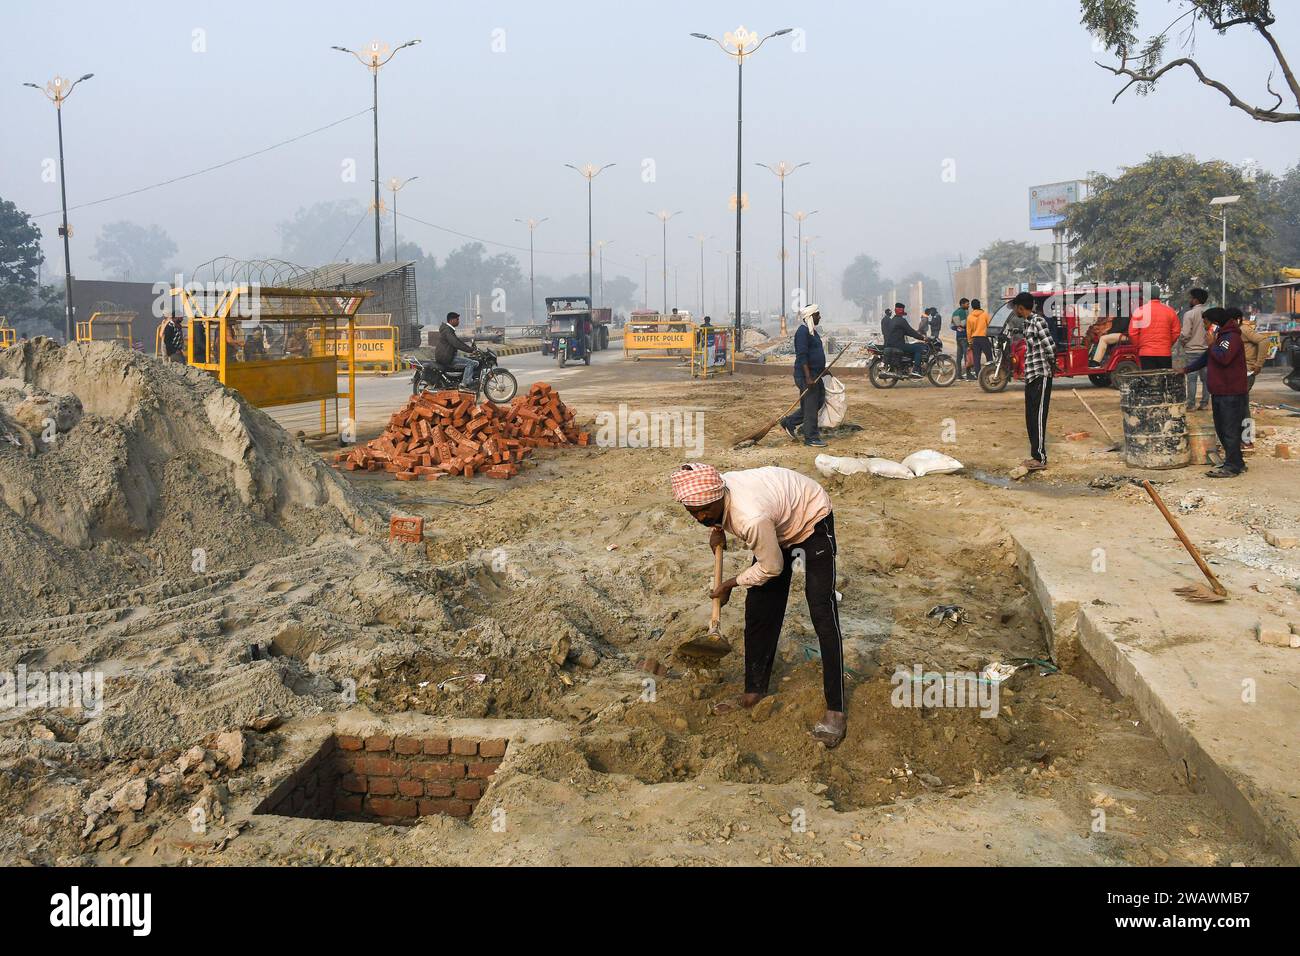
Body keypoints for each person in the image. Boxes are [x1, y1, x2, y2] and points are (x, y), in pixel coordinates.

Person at [670, 462, 847, 748]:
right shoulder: (715, 489)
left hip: (811, 518)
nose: (699, 516)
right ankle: (753, 692)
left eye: (704, 511)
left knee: (822, 612)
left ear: (719, 495)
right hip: (775, 521)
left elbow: (773, 567)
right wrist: (715, 525)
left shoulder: (750, 518)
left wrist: (731, 584)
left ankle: (836, 710)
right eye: (694, 513)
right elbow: (713, 511)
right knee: (760, 611)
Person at [1185, 307, 1249, 478]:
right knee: (1223, 429)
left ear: (1214, 323)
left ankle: (1232, 466)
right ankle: (1237, 462)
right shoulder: (1221, 338)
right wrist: (1185, 369)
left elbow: (1223, 358)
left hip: (1230, 392)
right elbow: (1207, 357)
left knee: (1229, 430)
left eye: (1206, 322)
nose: (1204, 327)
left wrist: (1212, 344)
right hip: (1220, 391)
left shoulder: (1231, 338)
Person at [1015, 291, 1055, 471]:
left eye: (1016, 307)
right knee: (1030, 417)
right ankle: (1034, 455)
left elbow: (1050, 346)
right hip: (1031, 376)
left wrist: (1052, 364)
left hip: (1041, 375)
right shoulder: (1027, 323)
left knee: (1038, 417)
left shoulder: (1039, 322)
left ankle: (1040, 458)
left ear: (1021, 307)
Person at [780, 304, 828, 447]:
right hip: (806, 375)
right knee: (811, 406)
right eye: (817, 314)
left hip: (816, 374)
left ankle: (790, 422)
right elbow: (802, 356)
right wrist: (808, 377)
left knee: (819, 401)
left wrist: (823, 369)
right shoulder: (802, 332)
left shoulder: (812, 332)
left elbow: (816, 353)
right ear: (810, 316)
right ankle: (811, 437)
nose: (820, 317)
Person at [1129, 289, 1181, 370]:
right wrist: (1167, 344)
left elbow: (1132, 333)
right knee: (1164, 380)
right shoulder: (1170, 311)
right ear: (1159, 296)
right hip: (1164, 353)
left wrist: (1140, 346)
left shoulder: (1139, 311)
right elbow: (1176, 332)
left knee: (1149, 380)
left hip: (1146, 353)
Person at [1178, 288, 1210, 411]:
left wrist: (1182, 342)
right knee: (1206, 379)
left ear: (1195, 300)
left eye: (1191, 298)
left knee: (1191, 379)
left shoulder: (1189, 314)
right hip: (1206, 350)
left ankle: (1191, 405)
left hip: (1192, 350)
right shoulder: (1209, 312)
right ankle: (1205, 403)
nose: (1189, 300)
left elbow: (1185, 334)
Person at [435, 311, 479, 388]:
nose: (458, 321)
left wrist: (469, 348)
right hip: (447, 358)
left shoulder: (448, 330)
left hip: (446, 356)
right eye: (457, 319)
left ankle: (463, 380)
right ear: (452, 320)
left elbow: (458, 341)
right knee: (471, 363)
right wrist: (470, 350)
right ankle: (465, 384)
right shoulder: (448, 331)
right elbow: (456, 343)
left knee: (469, 360)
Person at [882, 302, 927, 375]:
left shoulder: (893, 320)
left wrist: (915, 333)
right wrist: (923, 338)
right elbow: (910, 331)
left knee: (913, 346)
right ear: (901, 312)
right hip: (898, 345)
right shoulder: (902, 321)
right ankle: (915, 370)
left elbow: (904, 331)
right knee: (918, 348)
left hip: (891, 343)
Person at [966, 298, 992, 377]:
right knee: (989, 356)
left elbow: (968, 331)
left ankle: (978, 375)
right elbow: (990, 325)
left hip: (975, 339)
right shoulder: (985, 314)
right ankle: (990, 372)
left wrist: (970, 342)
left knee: (976, 358)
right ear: (979, 305)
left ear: (972, 307)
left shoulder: (970, 317)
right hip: (984, 338)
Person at [951, 297, 970, 380]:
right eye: (967, 304)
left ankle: (958, 375)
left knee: (959, 357)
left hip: (958, 337)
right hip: (964, 337)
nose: (968, 305)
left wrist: (957, 327)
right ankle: (968, 374)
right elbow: (964, 323)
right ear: (962, 304)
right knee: (967, 356)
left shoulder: (955, 312)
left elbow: (952, 326)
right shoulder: (963, 312)